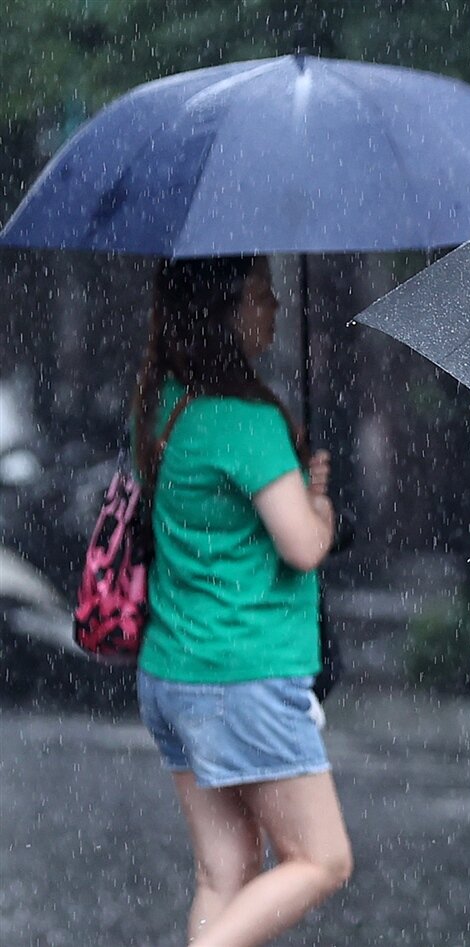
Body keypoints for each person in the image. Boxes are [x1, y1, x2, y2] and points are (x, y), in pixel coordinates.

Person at [132, 256, 352, 947]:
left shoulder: (170, 402)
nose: (277, 307)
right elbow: (305, 546)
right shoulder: (247, 419)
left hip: (175, 669)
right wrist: (321, 505)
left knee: (224, 874)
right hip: (242, 673)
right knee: (321, 858)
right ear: (224, 313)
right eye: (261, 296)